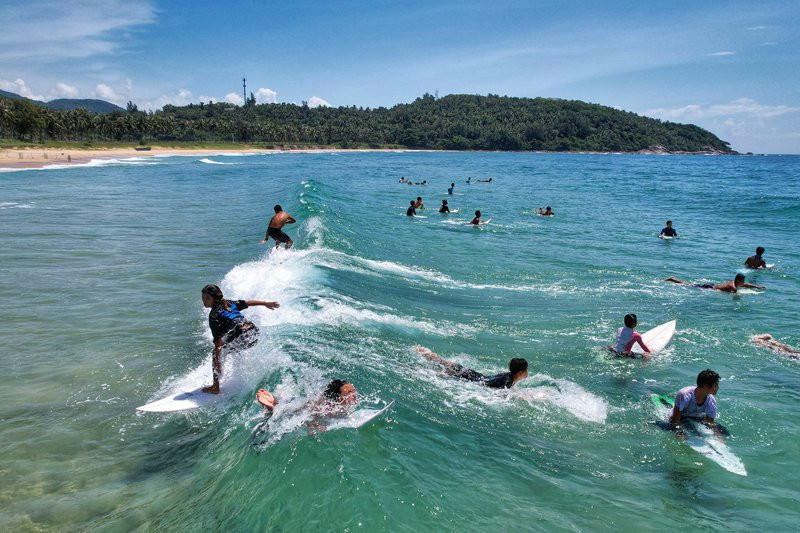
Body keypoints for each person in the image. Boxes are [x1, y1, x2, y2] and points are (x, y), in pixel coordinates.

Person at [201, 284, 279, 394]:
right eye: (203, 298)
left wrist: (217, 361)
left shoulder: (213, 315)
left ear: (215, 298)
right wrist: (265, 303)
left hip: (241, 333)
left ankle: (215, 387)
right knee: (232, 348)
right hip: (253, 332)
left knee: (217, 353)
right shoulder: (229, 303)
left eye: (207, 298)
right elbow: (247, 303)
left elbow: (218, 341)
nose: (204, 301)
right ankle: (239, 372)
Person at [256, 379, 359, 432]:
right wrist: (313, 425)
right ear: (338, 398)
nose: (354, 394)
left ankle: (275, 402)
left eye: (353, 390)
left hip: (300, 403)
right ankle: (273, 407)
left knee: (287, 405)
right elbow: (310, 415)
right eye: (349, 393)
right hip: (301, 409)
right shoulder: (330, 408)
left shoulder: (341, 404)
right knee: (287, 413)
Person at [416, 346, 528, 389]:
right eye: (526, 370)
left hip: (473, 374)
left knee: (444, 363)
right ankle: (422, 363)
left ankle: (425, 352)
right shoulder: (507, 382)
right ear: (520, 372)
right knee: (442, 371)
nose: (528, 372)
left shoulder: (508, 376)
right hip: (470, 378)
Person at [665, 273, 765, 293]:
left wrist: (757, 287)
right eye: (742, 281)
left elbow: (746, 285)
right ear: (738, 280)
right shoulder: (733, 287)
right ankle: (673, 279)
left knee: (690, 285)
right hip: (710, 288)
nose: (744, 282)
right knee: (688, 285)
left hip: (712, 285)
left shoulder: (735, 283)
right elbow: (735, 296)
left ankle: (673, 279)